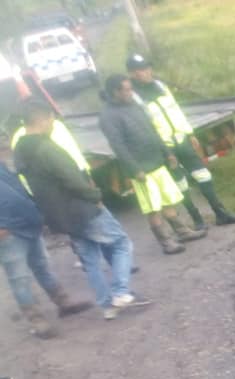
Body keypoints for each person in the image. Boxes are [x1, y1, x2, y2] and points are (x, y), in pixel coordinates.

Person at [14, 99, 147, 320]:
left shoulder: (20, 151)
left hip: (60, 216)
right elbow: (72, 180)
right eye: (51, 119)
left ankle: (108, 306)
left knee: (90, 260)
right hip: (82, 209)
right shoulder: (47, 148)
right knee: (122, 243)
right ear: (41, 118)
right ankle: (121, 292)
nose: (53, 123)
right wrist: (96, 196)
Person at [127, 54, 235, 230]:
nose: (144, 73)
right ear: (131, 74)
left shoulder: (160, 86)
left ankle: (221, 213)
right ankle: (197, 219)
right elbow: (144, 127)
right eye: (138, 71)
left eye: (145, 68)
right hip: (165, 147)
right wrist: (161, 149)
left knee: (204, 176)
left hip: (181, 138)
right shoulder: (134, 97)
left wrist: (190, 133)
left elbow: (176, 112)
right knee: (180, 185)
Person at [99, 74, 205, 254]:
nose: (131, 93)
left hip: (157, 162)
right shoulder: (108, 117)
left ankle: (182, 231)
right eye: (127, 90)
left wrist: (167, 153)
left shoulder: (134, 105)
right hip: (141, 170)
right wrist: (134, 169)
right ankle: (166, 242)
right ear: (115, 92)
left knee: (168, 199)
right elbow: (119, 147)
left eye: (131, 89)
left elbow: (153, 131)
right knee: (153, 208)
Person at [0, 157, 92, 337]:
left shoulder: (2, 167)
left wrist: (36, 214)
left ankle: (64, 303)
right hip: (8, 233)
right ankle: (37, 321)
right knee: (19, 279)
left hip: (29, 225)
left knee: (43, 267)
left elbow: (20, 191)